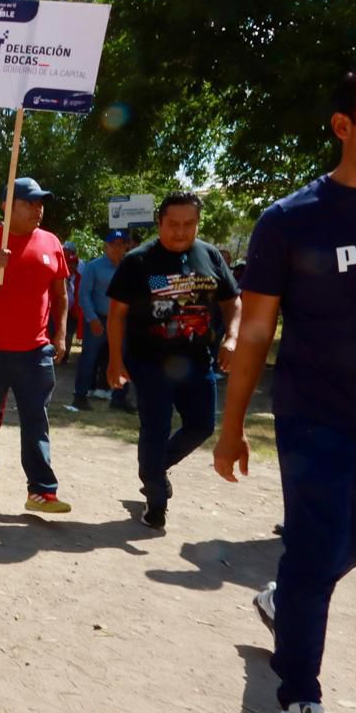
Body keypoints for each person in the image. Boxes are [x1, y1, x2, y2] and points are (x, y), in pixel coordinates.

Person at [213, 57, 356, 713]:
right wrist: (230, 425)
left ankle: (287, 597)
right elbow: (254, 333)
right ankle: (300, 706)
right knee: (316, 550)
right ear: (344, 126)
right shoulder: (290, 221)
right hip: (316, 417)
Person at [106, 193, 240, 529]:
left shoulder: (209, 255)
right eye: (173, 224)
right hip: (150, 361)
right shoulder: (138, 261)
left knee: (202, 426)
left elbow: (232, 302)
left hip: (198, 360)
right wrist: (114, 359)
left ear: (197, 223)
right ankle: (156, 501)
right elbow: (117, 314)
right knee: (156, 428)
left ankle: (153, 468)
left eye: (189, 224)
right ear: (160, 223)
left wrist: (233, 336)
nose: (181, 231)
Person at [0, 177, 71, 512]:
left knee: (36, 418)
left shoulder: (51, 242)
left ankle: (41, 490)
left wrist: (60, 334)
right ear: (8, 206)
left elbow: (61, 295)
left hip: (35, 350)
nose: (38, 210)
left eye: (40, 203)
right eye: (29, 203)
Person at [73, 230, 133, 411]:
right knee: (89, 359)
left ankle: (119, 398)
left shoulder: (129, 267)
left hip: (121, 322)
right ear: (105, 247)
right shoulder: (93, 267)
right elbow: (84, 295)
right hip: (98, 319)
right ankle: (80, 396)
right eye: (114, 244)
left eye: (121, 244)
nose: (118, 248)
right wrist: (92, 319)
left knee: (123, 359)